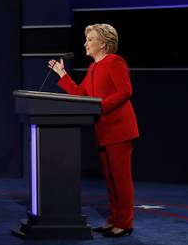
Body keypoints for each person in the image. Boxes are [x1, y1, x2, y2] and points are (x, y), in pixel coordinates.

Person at [48, 24, 139, 238]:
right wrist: (62, 74)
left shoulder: (114, 62)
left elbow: (126, 91)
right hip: (103, 130)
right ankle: (114, 219)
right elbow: (81, 94)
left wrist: (101, 106)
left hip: (119, 129)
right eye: (86, 39)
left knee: (121, 178)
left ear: (103, 44)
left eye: (89, 39)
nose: (85, 43)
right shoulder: (93, 68)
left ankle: (125, 223)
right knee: (110, 178)